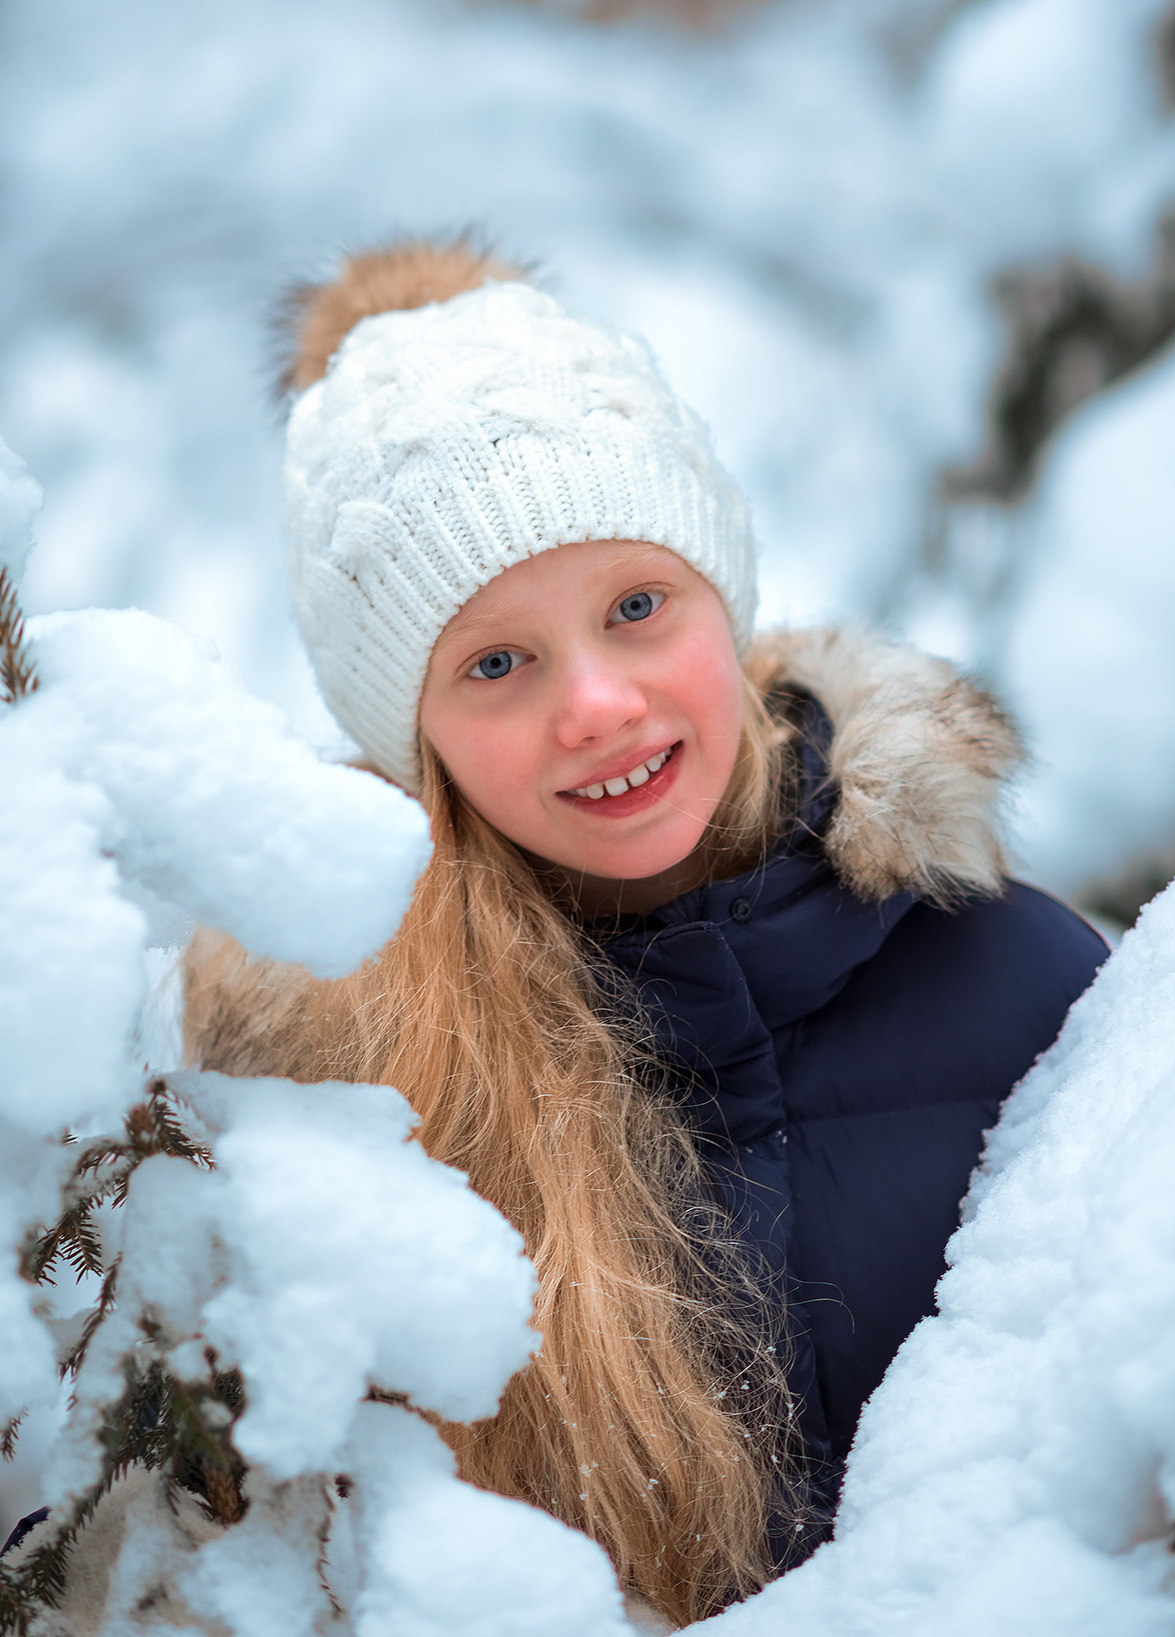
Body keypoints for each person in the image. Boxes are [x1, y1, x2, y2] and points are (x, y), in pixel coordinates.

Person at [184, 240, 1108, 1629]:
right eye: (497, 663)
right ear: (409, 738)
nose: (600, 704)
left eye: (634, 606)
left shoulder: (1016, 970)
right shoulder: (339, 1099)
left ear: (720, 595)